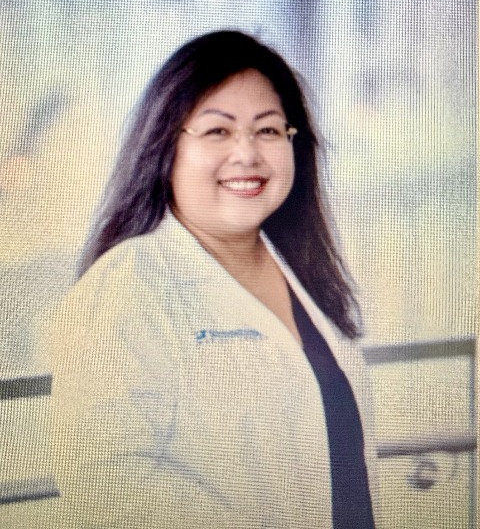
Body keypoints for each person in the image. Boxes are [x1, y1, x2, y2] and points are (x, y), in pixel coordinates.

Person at [41, 30, 380, 528]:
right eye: (218, 131)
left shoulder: (303, 272)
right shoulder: (125, 286)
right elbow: (106, 486)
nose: (247, 154)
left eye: (269, 130)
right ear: (166, 147)